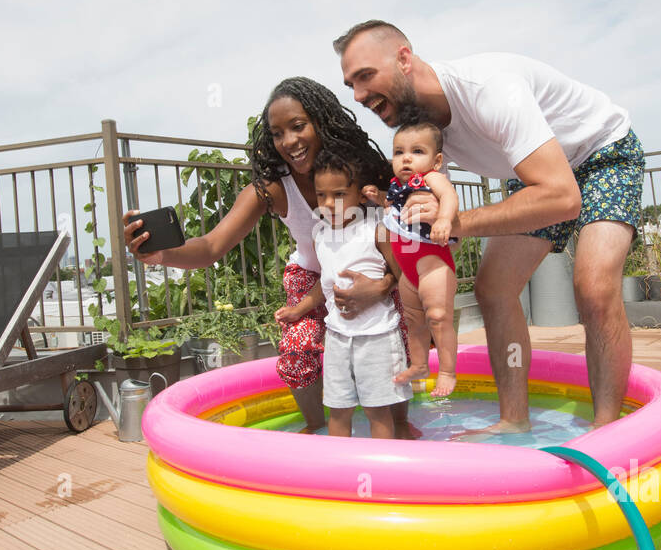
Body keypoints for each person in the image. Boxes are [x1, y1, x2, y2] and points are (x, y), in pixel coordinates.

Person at [333, 20, 645, 432]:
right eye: (350, 85)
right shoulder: (421, 129)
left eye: (365, 76)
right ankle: (514, 420)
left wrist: (457, 222)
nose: (358, 96)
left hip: (603, 154)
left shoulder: (490, 91)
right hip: (538, 173)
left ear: (404, 58)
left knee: (593, 287)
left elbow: (563, 199)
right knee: (493, 288)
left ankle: (608, 432)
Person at [124, 76, 413, 435]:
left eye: (298, 126)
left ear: (322, 122)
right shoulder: (273, 187)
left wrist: (383, 286)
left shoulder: (363, 171)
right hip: (313, 280)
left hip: (376, 275)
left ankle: (398, 422)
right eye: (277, 133)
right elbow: (211, 247)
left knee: (397, 326)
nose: (289, 142)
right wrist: (159, 254)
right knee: (298, 345)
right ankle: (319, 428)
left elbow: (410, 232)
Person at [304, 150, 412, 438]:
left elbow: (402, 274)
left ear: (361, 196)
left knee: (378, 411)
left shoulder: (376, 232)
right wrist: (299, 307)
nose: (328, 204)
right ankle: (339, 476)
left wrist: (379, 288)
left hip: (376, 337)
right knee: (338, 410)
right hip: (338, 338)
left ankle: (384, 475)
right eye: (321, 195)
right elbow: (326, 283)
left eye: (339, 195)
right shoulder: (320, 237)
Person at [362, 114, 459, 397]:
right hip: (408, 272)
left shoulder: (432, 178)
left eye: (417, 152)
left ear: (436, 160)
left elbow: (450, 197)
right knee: (414, 322)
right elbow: (392, 208)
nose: (406, 159)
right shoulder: (397, 185)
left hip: (433, 266)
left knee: (439, 317)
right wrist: (377, 196)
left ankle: (447, 370)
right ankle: (419, 364)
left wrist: (443, 219)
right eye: (399, 152)